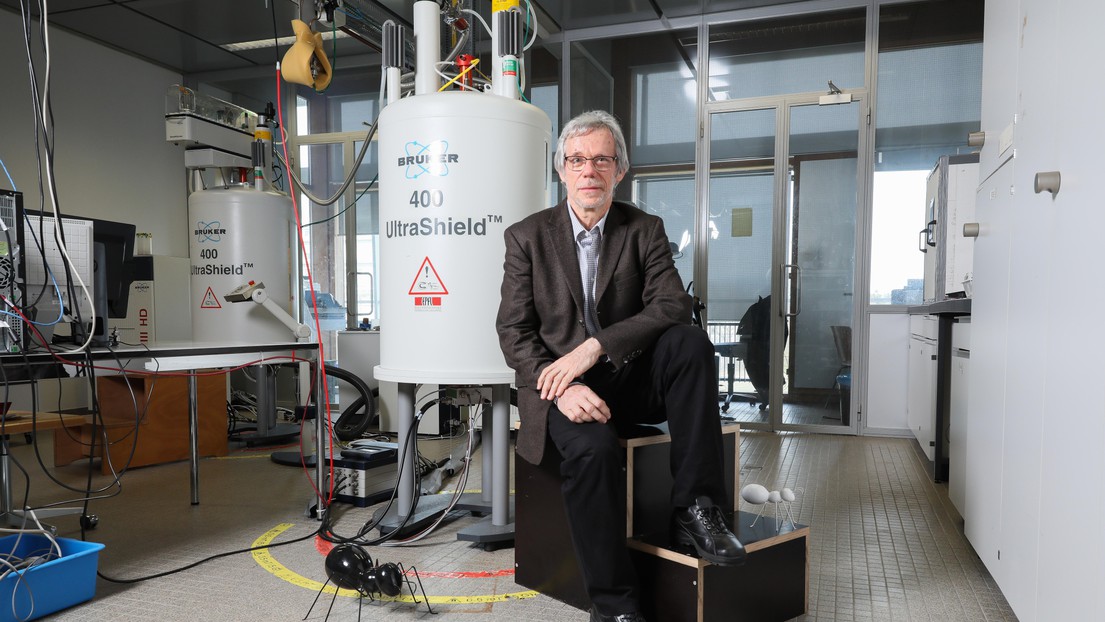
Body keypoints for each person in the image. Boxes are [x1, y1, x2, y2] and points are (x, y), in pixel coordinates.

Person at [496, 110, 745, 622]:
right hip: (560, 388)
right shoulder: (527, 237)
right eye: (578, 160)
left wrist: (594, 348)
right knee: (594, 452)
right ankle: (614, 607)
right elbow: (513, 332)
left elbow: (672, 305)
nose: (590, 170)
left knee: (690, 342)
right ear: (562, 169)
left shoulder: (643, 229)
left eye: (602, 160)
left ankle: (696, 507)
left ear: (620, 170)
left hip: (625, 375)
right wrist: (562, 388)